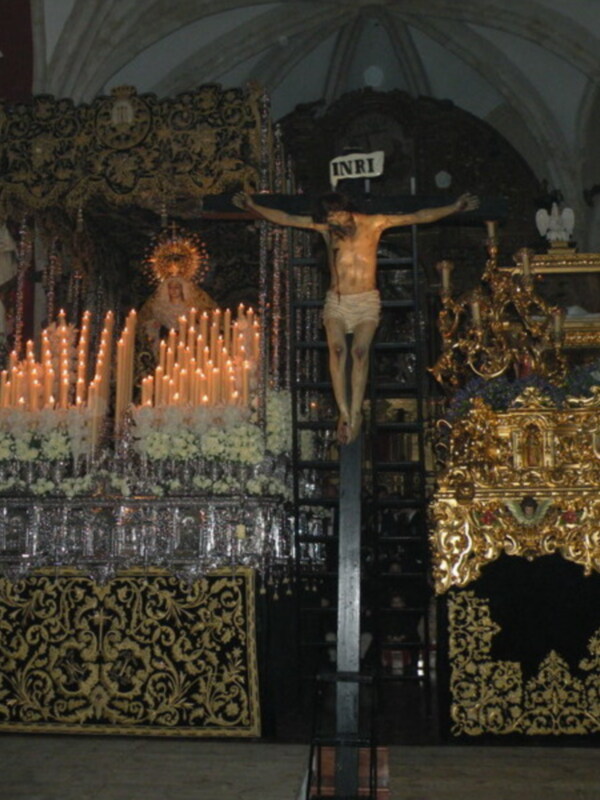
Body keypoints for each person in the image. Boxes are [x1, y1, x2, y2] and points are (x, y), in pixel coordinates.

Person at [233, 189, 479, 443]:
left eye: (335, 216)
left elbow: (418, 216)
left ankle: (356, 411)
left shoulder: (375, 223)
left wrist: (454, 207)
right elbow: (287, 218)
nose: (333, 221)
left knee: (359, 352)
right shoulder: (327, 230)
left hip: (366, 302)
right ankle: (343, 412)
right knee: (338, 350)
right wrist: (253, 207)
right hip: (338, 301)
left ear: (346, 210)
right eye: (328, 218)